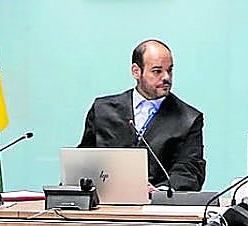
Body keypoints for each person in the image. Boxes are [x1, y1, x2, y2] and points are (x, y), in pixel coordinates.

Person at [78, 39, 206, 191]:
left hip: (157, 208)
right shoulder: (102, 110)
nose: (166, 77)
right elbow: (83, 161)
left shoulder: (189, 119)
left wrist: (162, 191)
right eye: (157, 71)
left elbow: (190, 170)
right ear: (136, 71)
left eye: (169, 70)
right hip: (105, 205)